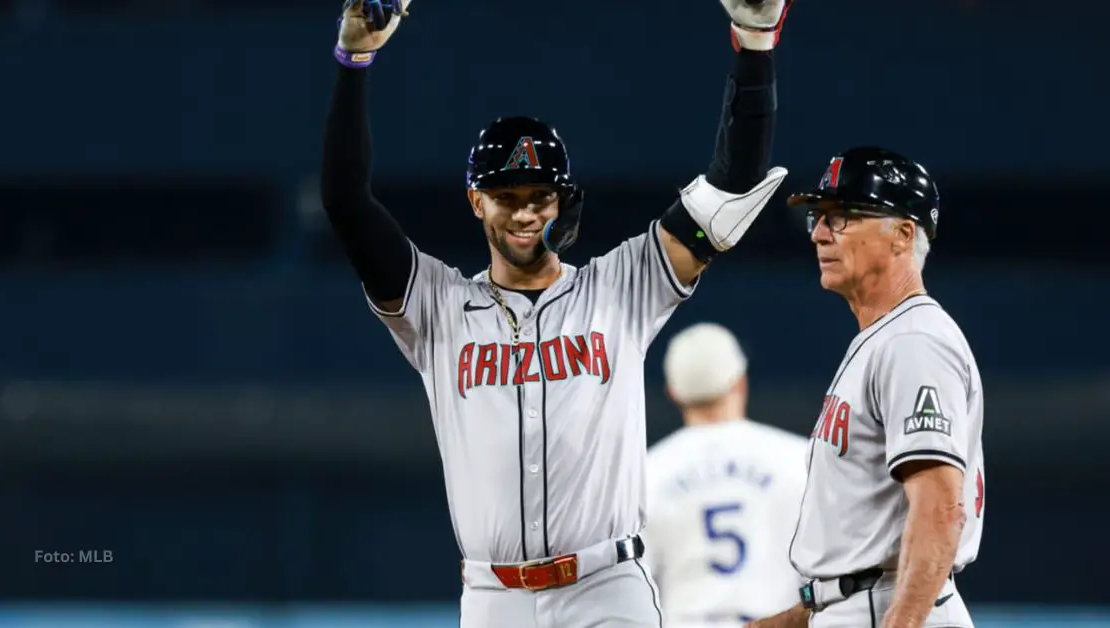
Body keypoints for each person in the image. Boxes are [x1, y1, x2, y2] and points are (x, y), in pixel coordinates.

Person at [321, 0, 793, 625]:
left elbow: (732, 187)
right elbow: (347, 203)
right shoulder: (436, 306)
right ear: (474, 201)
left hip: (607, 588)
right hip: (494, 599)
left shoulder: (623, 285)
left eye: (541, 196)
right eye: (505, 197)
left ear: (563, 201)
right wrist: (354, 59)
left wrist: (756, 43)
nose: (524, 213)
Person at [744, 148, 986, 628]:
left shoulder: (913, 341)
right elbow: (870, 533)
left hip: (892, 609)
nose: (817, 233)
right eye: (819, 217)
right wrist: (801, 617)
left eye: (842, 218)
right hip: (868, 603)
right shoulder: (885, 339)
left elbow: (940, 507)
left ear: (902, 234)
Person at [642, 322, 808, 628]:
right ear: (740, 381)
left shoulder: (645, 474)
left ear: (673, 393)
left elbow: (637, 586)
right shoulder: (802, 459)